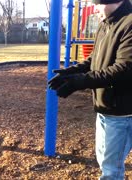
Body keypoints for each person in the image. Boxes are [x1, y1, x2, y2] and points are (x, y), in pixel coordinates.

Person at [48, 0, 132, 178]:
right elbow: (95, 58)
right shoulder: (105, 24)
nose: (95, 9)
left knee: (111, 169)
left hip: (122, 112)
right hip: (104, 107)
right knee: (105, 162)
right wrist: (71, 71)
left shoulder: (129, 24)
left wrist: (78, 82)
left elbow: (123, 69)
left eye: (98, 4)